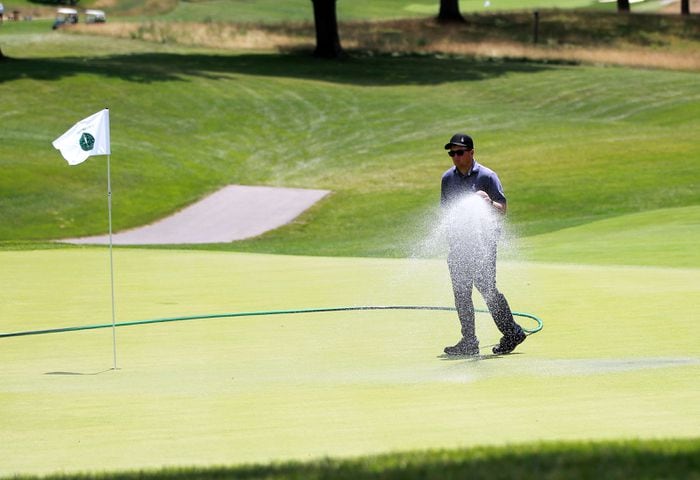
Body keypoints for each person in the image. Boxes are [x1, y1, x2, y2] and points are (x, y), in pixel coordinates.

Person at [440, 133, 526, 356]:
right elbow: (446, 213)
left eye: (460, 152)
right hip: (459, 245)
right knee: (461, 292)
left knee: (487, 289)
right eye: (452, 153)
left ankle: (512, 332)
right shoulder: (447, 179)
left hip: (483, 244)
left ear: (471, 152)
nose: (456, 157)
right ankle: (469, 341)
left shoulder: (487, 176)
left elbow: (503, 210)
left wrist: (488, 203)